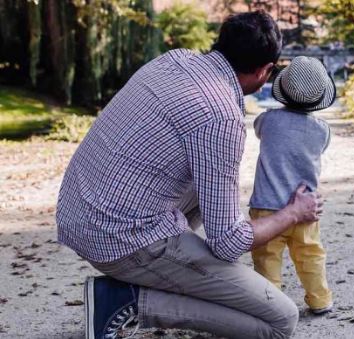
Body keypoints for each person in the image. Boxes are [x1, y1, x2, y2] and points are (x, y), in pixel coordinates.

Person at [55, 11, 323, 339]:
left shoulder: (174, 59)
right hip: (120, 238)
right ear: (265, 71)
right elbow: (229, 243)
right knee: (280, 320)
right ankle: (128, 302)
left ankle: (162, 274)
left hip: (79, 214)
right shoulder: (222, 117)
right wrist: (294, 212)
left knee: (206, 180)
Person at [249, 56, 335, 315]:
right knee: (310, 255)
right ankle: (320, 299)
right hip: (306, 208)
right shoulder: (322, 130)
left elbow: (257, 129)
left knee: (267, 259)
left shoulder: (268, 121)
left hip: (267, 209)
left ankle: (271, 305)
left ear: (282, 91)